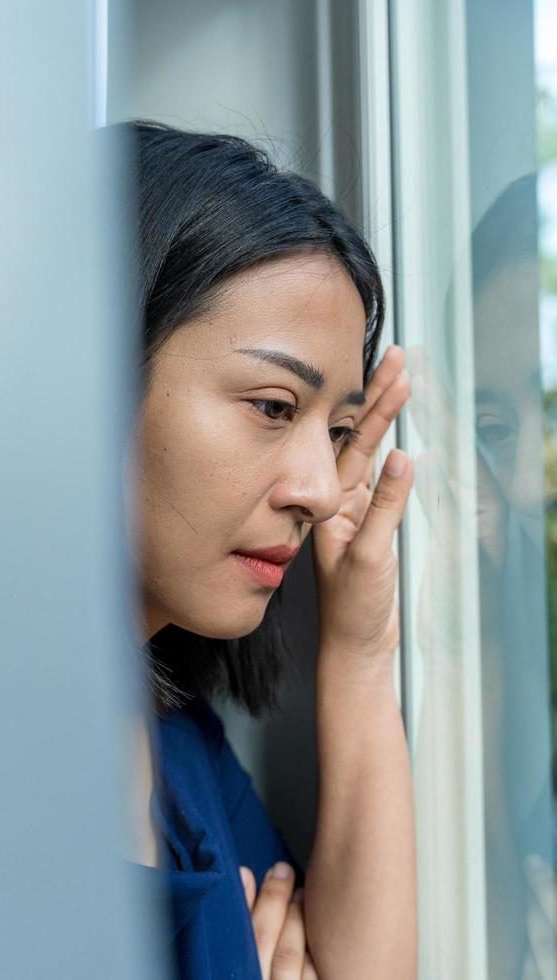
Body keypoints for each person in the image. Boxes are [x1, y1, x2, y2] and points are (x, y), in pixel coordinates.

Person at [119, 120, 418, 980]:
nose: (321, 491)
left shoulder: (184, 755)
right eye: (274, 407)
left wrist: (361, 654)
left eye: (341, 432)